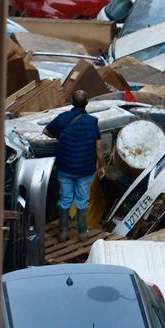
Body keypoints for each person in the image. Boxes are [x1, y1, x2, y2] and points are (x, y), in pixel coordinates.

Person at [42, 89, 103, 241]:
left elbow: (46, 131)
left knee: (65, 199)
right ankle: (82, 233)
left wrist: (60, 136)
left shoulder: (63, 118)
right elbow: (99, 149)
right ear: (87, 103)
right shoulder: (92, 122)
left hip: (65, 167)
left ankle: (63, 232)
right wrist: (102, 166)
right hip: (85, 169)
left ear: (71, 102)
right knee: (82, 199)